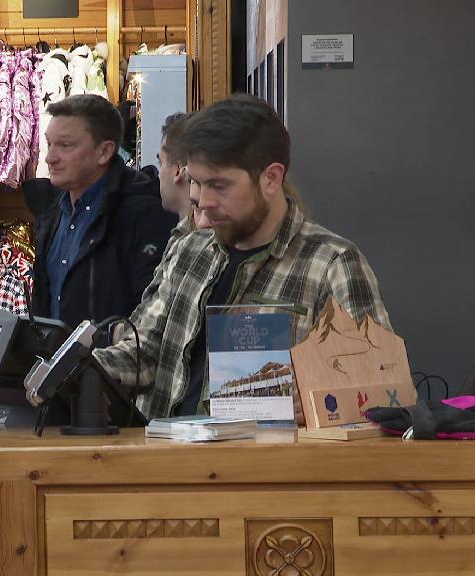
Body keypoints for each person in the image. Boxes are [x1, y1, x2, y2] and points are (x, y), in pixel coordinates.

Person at [93, 94, 390, 420]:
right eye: (197, 182)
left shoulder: (331, 265)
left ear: (271, 178)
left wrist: (317, 402)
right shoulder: (188, 250)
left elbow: (382, 388)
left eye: (219, 186)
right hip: (165, 462)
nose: (203, 202)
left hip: (261, 468)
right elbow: (144, 351)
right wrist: (78, 369)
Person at [26, 94, 177, 328]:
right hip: (60, 362)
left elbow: (152, 317)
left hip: (115, 362)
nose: (50, 158)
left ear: (105, 151)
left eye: (65, 145)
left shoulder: (143, 213)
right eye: (49, 144)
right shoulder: (53, 214)